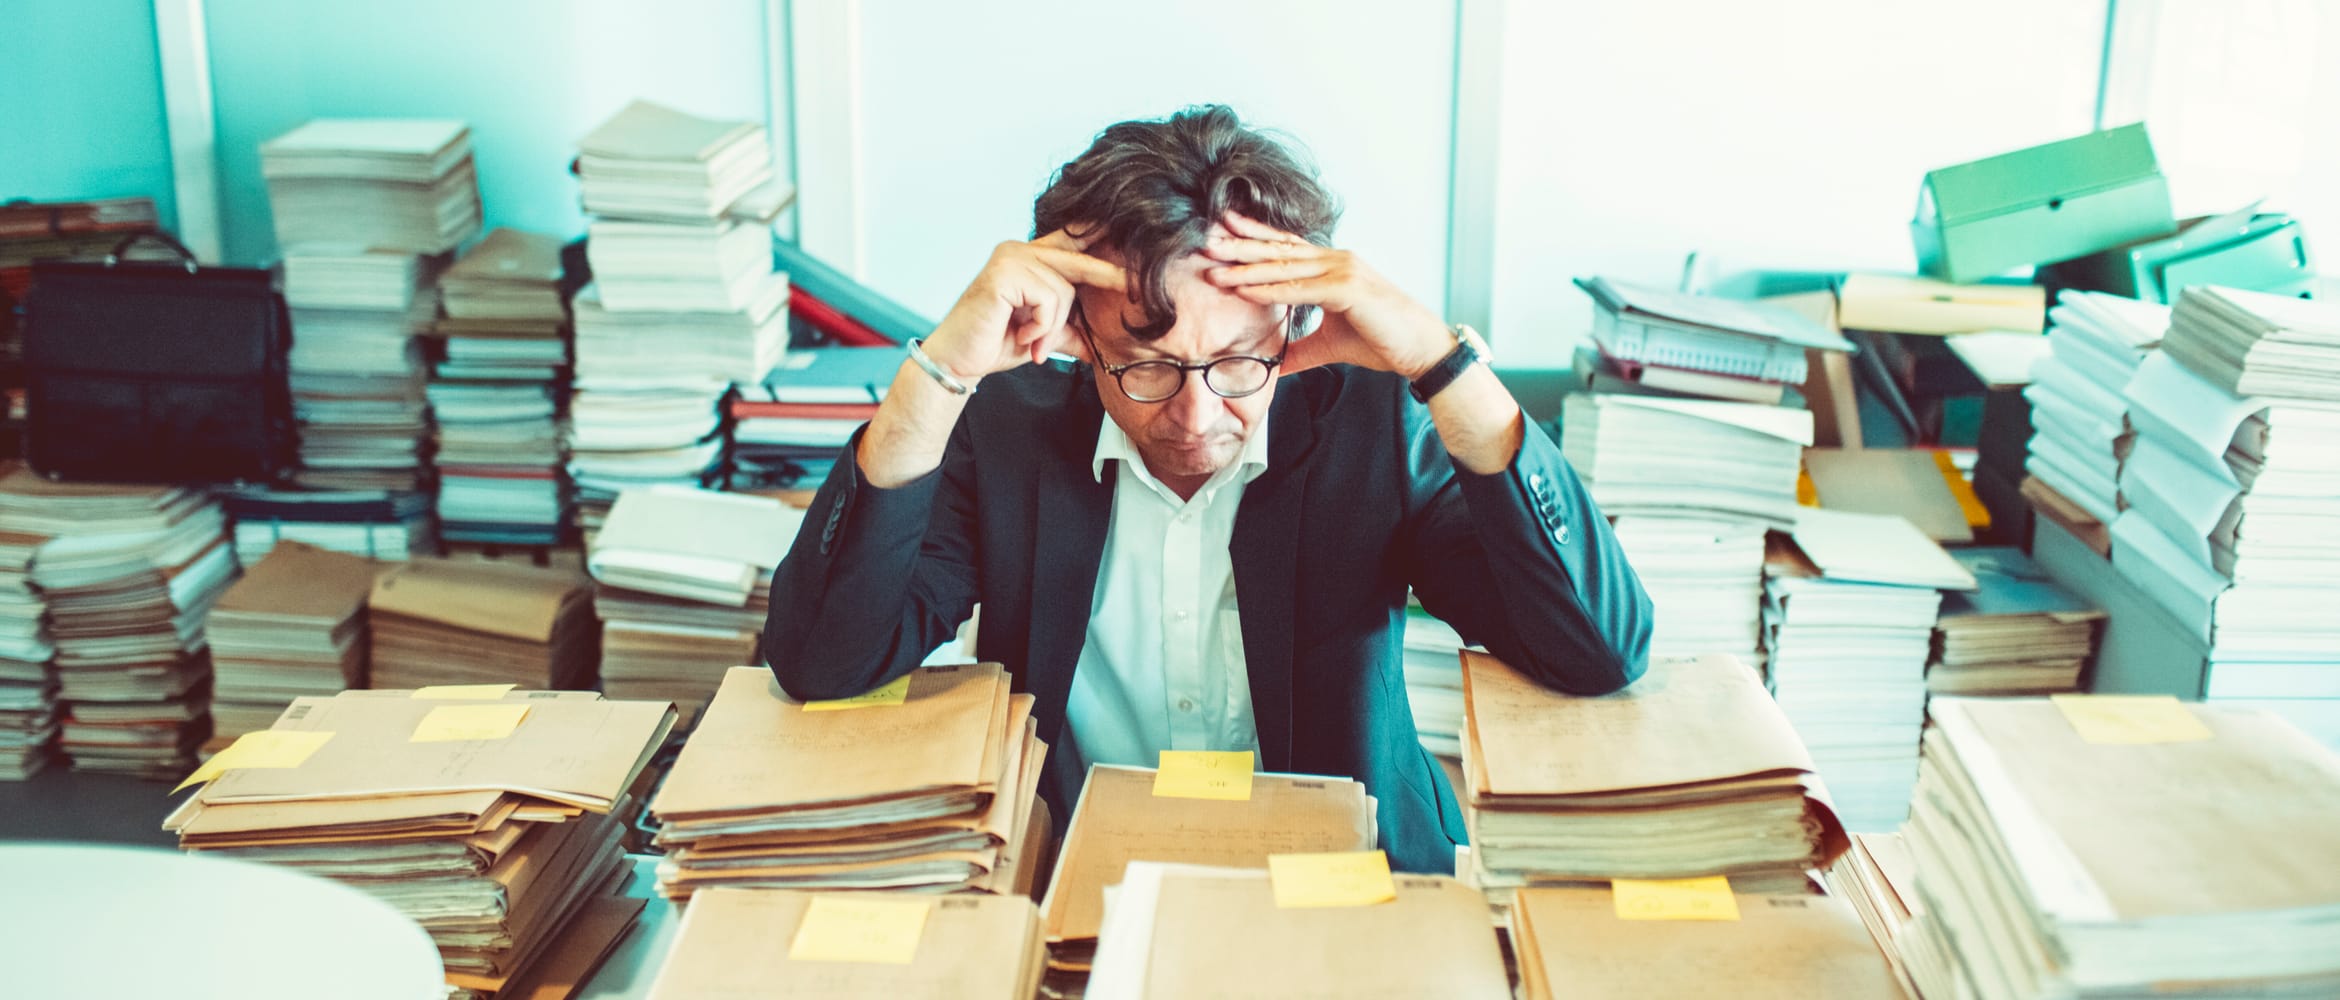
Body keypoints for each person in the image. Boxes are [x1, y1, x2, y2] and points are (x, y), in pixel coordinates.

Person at [763, 104, 1651, 874]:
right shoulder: (1010, 424)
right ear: (1079, 336)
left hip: (1349, 885)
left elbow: (1596, 651)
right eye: (1145, 367)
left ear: (1292, 324)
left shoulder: (1369, 420)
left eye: (1237, 363)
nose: (1193, 417)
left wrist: (1439, 363)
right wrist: (939, 374)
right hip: (1080, 881)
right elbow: (822, 662)